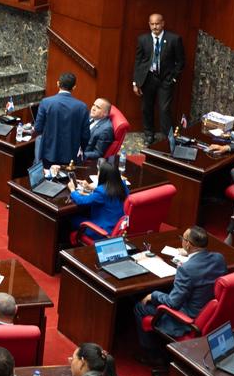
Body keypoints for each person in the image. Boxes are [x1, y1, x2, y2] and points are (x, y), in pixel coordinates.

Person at [133, 226, 225, 374]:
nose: (182, 241)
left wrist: (153, 295)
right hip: (208, 313)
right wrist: (188, 254)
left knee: (140, 306)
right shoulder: (219, 259)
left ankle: (153, 356)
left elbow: (173, 303)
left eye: (183, 239)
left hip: (187, 319)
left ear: (188, 244)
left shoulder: (186, 269)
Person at [132, 13, 184, 143]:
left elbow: (181, 61)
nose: (155, 27)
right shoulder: (143, 39)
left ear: (162, 24)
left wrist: (173, 78)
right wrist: (136, 82)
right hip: (148, 79)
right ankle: (149, 134)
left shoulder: (174, 39)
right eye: (152, 24)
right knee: (146, 108)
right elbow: (138, 62)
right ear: (149, 24)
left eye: (157, 24)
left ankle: (168, 138)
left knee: (164, 109)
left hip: (165, 80)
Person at [35, 72, 89, 168]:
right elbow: (85, 135)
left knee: (48, 176)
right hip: (71, 155)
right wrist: (81, 149)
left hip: (49, 153)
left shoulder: (46, 102)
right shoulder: (82, 107)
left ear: (58, 83)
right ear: (74, 87)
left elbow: (38, 128)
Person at [67, 160, 128, 242]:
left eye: (98, 173)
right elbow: (108, 194)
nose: (97, 175)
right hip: (117, 228)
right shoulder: (123, 185)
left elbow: (81, 201)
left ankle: (68, 245)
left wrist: (72, 190)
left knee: (71, 218)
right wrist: (90, 187)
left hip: (101, 231)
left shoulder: (101, 192)